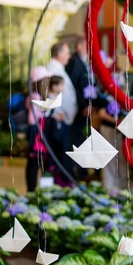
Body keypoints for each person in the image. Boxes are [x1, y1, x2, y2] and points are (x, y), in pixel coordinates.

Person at [45, 41, 78, 183]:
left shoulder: (58, 67)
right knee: (60, 153)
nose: (69, 56)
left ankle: (64, 181)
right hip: (59, 118)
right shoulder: (53, 69)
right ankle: (62, 182)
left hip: (64, 118)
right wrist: (57, 112)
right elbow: (51, 93)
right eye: (66, 53)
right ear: (59, 54)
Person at [65, 35, 94, 179]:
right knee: (76, 139)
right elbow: (74, 87)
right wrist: (84, 105)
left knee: (81, 138)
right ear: (80, 47)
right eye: (87, 46)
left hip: (83, 108)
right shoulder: (74, 63)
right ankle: (76, 171)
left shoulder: (83, 62)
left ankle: (81, 170)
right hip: (77, 110)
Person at [25, 66, 52, 192]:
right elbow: (32, 118)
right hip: (37, 132)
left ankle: (42, 189)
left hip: (40, 132)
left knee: (42, 162)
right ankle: (32, 190)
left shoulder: (39, 95)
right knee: (35, 163)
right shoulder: (35, 96)